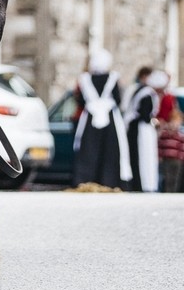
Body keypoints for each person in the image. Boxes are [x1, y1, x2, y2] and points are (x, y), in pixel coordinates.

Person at [71, 49, 131, 189]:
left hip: (90, 120)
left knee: (89, 150)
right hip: (109, 118)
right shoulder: (113, 77)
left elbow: (80, 101)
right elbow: (117, 98)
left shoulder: (84, 78)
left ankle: (86, 179)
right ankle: (109, 180)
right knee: (110, 150)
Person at [124, 68, 168, 192]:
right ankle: (145, 184)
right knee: (144, 157)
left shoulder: (142, 90)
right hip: (142, 130)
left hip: (138, 129)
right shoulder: (148, 94)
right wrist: (156, 122)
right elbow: (145, 115)